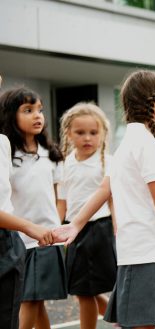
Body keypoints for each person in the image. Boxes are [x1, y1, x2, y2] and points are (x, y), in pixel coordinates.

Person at [53, 70, 155, 329]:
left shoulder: (128, 143)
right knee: (148, 323)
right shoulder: (145, 143)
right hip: (147, 250)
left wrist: (75, 223)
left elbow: (104, 188)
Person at [0, 87, 67, 329]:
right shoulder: (8, 153)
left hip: (46, 238)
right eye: (27, 110)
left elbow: (61, 198)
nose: (37, 115)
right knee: (29, 299)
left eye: (39, 109)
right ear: (10, 115)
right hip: (19, 238)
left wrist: (55, 226)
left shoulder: (51, 154)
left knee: (34, 299)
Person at [56, 102, 117, 329]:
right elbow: (62, 200)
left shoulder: (108, 163)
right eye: (80, 133)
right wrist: (55, 228)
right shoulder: (64, 163)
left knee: (86, 290)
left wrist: (118, 228)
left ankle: (119, 318)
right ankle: (120, 318)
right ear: (69, 134)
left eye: (93, 132)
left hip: (99, 229)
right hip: (74, 231)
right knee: (82, 290)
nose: (87, 138)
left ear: (103, 133)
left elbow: (113, 199)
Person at [0, 129, 54, 329]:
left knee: (28, 303)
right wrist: (29, 227)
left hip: (12, 240)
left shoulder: (3, 143)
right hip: (20, 235)